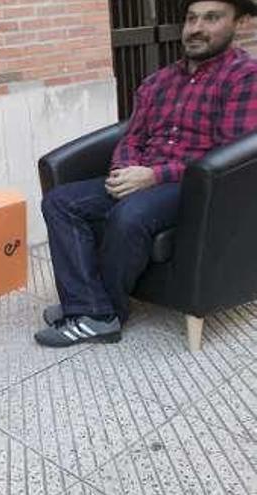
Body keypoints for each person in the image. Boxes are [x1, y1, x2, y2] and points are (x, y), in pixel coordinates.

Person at [35, 0, 257, 347]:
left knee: (129, 215)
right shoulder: (160, 81)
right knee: (60, 202)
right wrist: (124, 169)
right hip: (143, 174)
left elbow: (227, 155)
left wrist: (154, 176)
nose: (197, 27)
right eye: (192, 18)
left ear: (238, 23)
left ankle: (96, 313)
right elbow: (132, 136)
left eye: (212, 18)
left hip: (194, 186)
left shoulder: (243, 77)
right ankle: (93, 308)